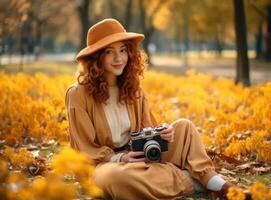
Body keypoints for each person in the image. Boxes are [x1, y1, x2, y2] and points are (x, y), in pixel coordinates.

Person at [65, 18, 247, 200]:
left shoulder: (133, 88)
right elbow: (84, 149)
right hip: (104, 166)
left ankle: (217, 184)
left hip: (138, 159)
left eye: (123, 50)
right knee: (117, 178)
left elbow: (147, 131)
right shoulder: (77, 95)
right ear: (96, 58)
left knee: (185, 127)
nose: (119, 58)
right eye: (109, 52)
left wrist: (163, 134)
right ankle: (195, 181)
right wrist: (120, 159)